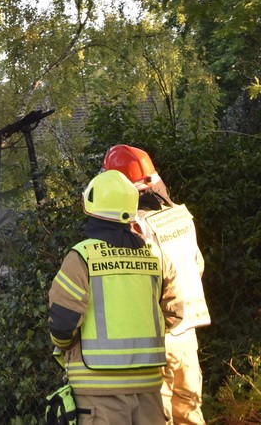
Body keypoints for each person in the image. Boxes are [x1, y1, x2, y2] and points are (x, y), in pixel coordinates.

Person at [49, 170, 183, 424]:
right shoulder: (156, 255)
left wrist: (66, 347)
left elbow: (62, 324)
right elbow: (175, 314)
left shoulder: (82, 257)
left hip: (97, 391)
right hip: (149, 385)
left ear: (90, 205)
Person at [104, 144, 210, 425]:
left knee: (156, 418)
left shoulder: (134, 229)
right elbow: (197, 266)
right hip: (186, 333)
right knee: (189, 413)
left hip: (155, 338)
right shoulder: (180, 215)